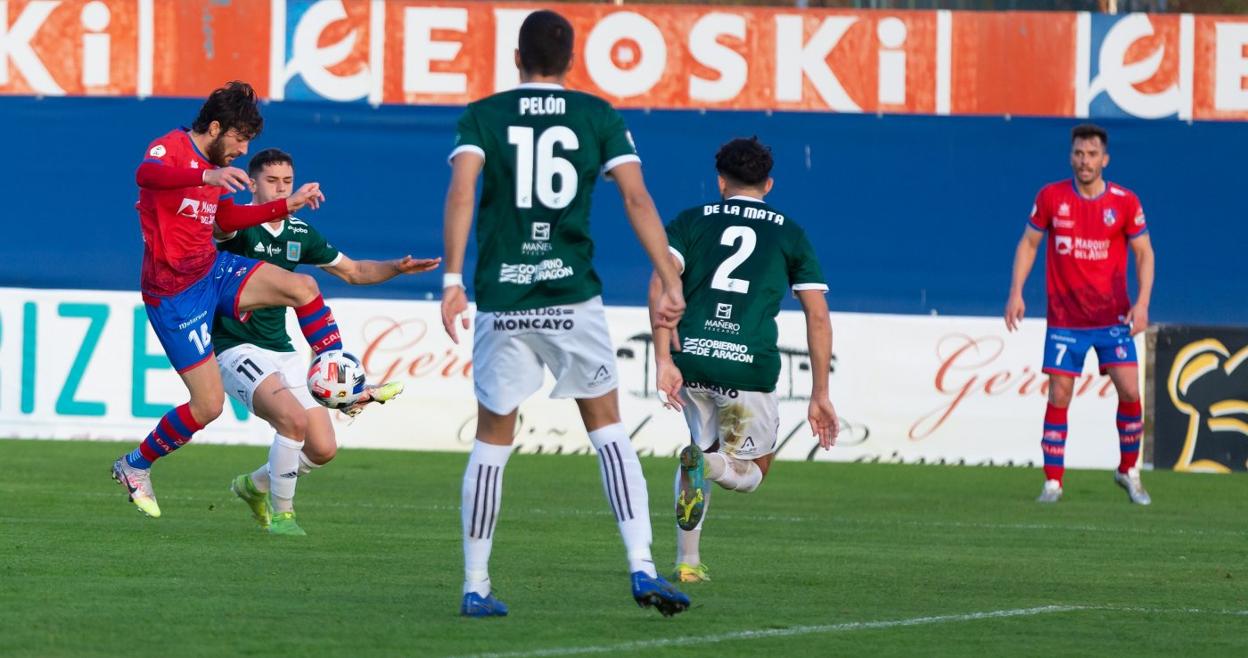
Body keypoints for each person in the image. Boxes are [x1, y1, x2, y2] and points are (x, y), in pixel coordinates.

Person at [439, 10, 689, 617]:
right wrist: (669, 273)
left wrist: (451, 279)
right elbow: (635, 196)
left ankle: (476, 585)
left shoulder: (485, 115)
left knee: (493, 437)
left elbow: (464, 190)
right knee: (607, 428)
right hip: (572, 296)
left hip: (504, 296)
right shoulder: (597, 116)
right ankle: (642, 568)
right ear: (571, 62)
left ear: (516, 58)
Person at [112, 81, 359, 519]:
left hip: (213, 271)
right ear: (215, 126)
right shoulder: (171, 148)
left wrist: (288, 206)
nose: (243, 150)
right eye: (240, 138)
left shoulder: (219, 171)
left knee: (304, 287)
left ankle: (333, 371)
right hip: (174, 295)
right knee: (207, 406)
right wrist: (204, 175)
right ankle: (135, 465)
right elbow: (144, 176)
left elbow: (227, 217)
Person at [217, 148, 440, 536]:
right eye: (272, 182)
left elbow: (353, 271)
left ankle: (255, 485)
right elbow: (221, 226)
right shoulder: (237, 225)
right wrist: (287, 203)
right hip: (236, 347)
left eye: (287, 181)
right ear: (252, 184)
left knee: (322, 448)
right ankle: (283, 517)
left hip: (281, 349)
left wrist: (396, 269)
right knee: (293, 420)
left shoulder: (300, 233)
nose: (281, 188)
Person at [648, 137, 838, 583]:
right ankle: (706, 465)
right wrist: (821, 393)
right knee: (750, 472)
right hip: (747, 366)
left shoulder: (691, 221)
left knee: (705, 449)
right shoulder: (789, 232)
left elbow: (660, 283)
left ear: (720, 181)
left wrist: (662, 358)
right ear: (768, 184)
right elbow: (818, 316)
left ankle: (688, 562)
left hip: (691, 358)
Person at [1005, 123, 1155, 505]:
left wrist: (1142, 304)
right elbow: (1029, 243)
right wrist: (1016, 292)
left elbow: (1144, 253)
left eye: (1091, 154)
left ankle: (1128, 471)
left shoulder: (1124, 202)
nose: (1084, 161)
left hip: (1113, 318)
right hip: (1066, 320)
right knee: (1059, 394)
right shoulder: (1052, 197)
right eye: (1078, 153)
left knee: (1130, 390)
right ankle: (1053, 481)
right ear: (1070, 156)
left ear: (1104, 159)